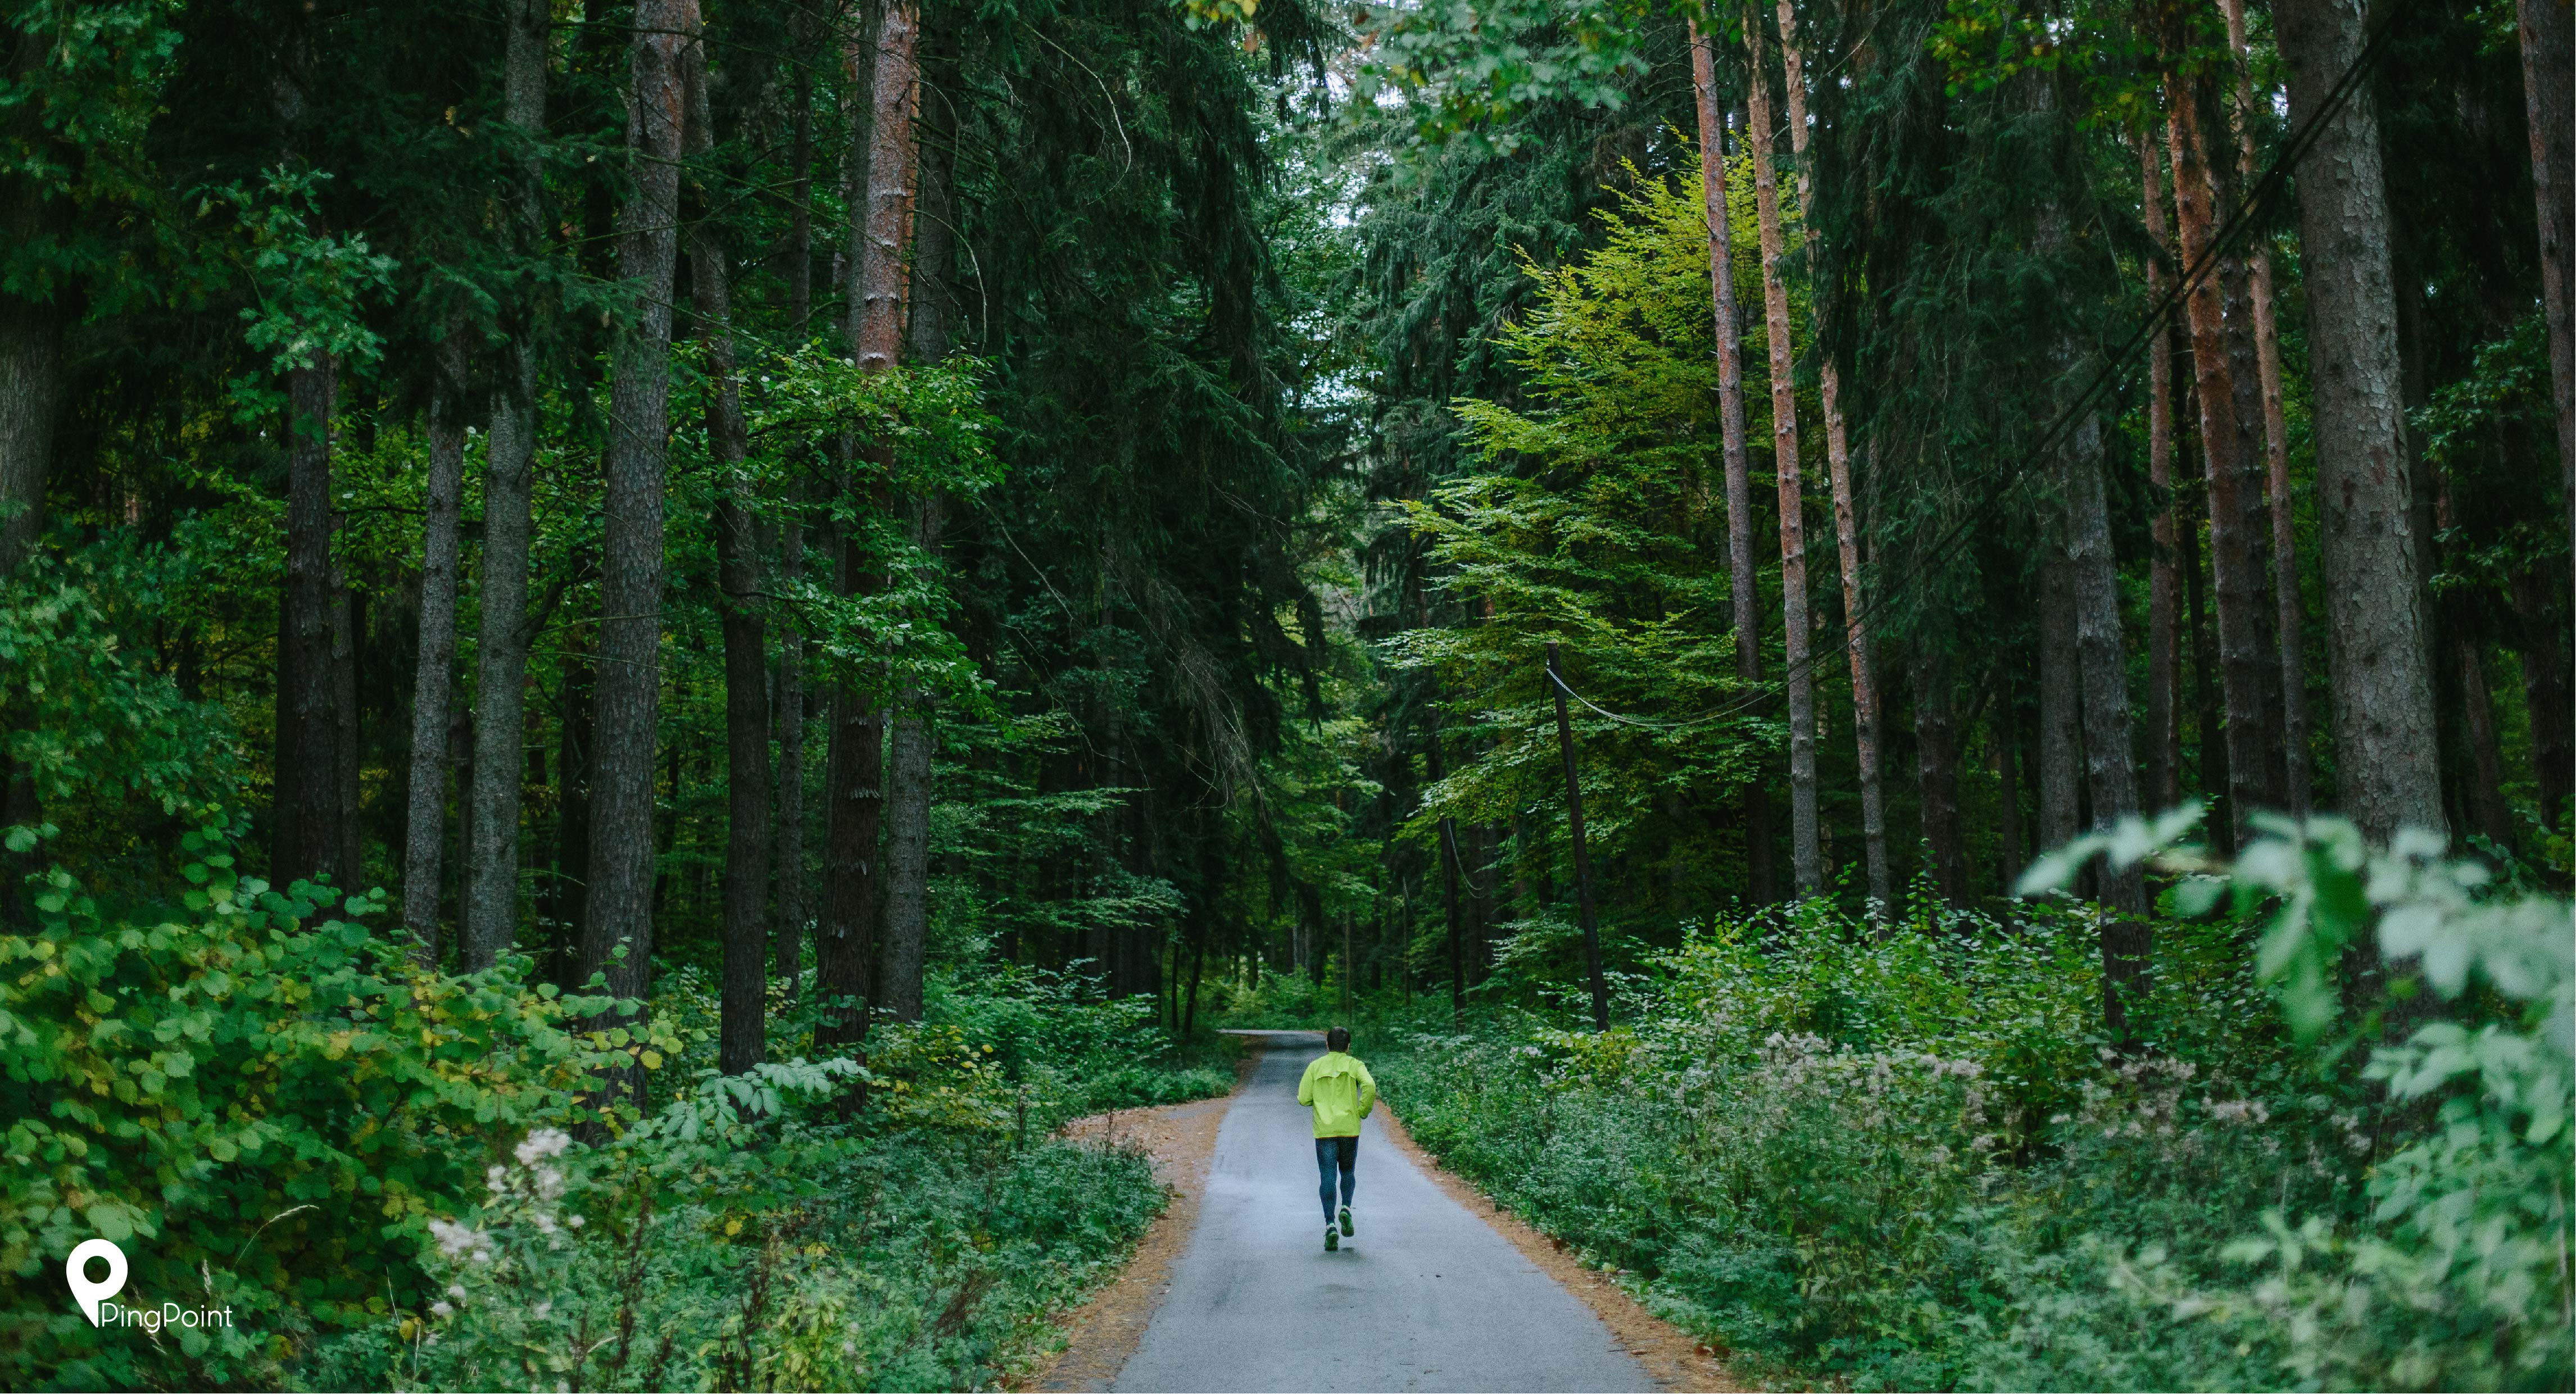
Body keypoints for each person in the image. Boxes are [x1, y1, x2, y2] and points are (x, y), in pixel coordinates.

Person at [1296, 1027, 1377, 1251]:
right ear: (1349, 1046)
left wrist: (1319, 1102)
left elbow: (1303, 1098)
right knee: (1348, 1172)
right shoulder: (1355, 1065)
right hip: (1350, 1129)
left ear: (1327, 1045)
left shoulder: (1315, 1067)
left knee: (1328, 1177)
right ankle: (1347, 1208)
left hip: (1325, 1131)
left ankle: (1330, 1225)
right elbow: (1369, 1086)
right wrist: (1362, 1110)